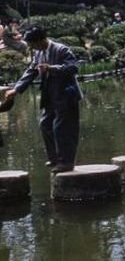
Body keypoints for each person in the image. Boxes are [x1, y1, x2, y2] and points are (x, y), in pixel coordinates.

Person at [2, 27, 82, 172]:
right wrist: (16, 89)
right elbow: (31, 71)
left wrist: (52, 68)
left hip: (66, 95)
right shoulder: (39, 53)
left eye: (32, 44)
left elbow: (73, 68)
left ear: (41, 40)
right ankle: (55, 158)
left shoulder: (61, 50)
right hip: (50, 96)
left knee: (62, 129)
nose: (31, 47)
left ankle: (66, 162)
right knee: (45, 124)